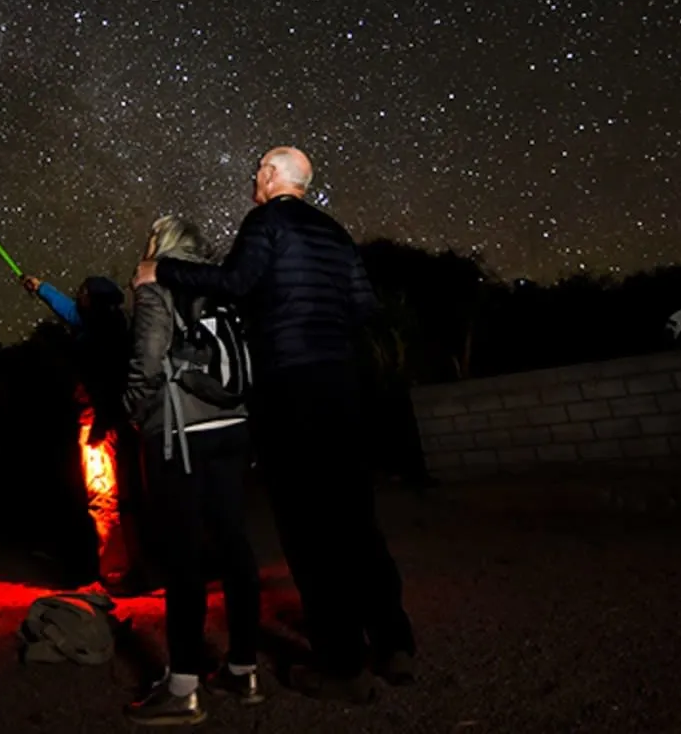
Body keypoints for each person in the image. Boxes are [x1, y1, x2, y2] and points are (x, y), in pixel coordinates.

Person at [135, 146, 416, 702]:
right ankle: (393, 642)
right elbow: (363, 306)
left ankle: (341, 665)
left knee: (309, 529)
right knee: (358, 519)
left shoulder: (266, 221)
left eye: (257, 171)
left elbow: (237, 281)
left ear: (270, 176)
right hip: (341, 384)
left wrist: (160, 270)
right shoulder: (335, 233)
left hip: (291, 388)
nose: (252, 179)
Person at [121, 217, 264, 724]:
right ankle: (243, 668)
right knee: (233, 543)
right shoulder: (221, 283)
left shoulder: (156, 281)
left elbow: (148, 359)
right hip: (233, 425)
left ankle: (182, 687)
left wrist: (137, 412)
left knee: (182, 556)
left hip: (181, 432)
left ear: (161, 245)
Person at [21, 273, 149, 593]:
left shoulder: (100, 335)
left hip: (101, 424)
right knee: (122, 497)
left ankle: (116, 573)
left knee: (103, 498)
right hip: (114, 421)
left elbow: (107, 382)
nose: (78, 297)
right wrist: (42, 289)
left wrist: (100, 428)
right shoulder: (107, 324)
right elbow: (68, 310)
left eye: (82, 293)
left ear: (93, 300)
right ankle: (130, 567)